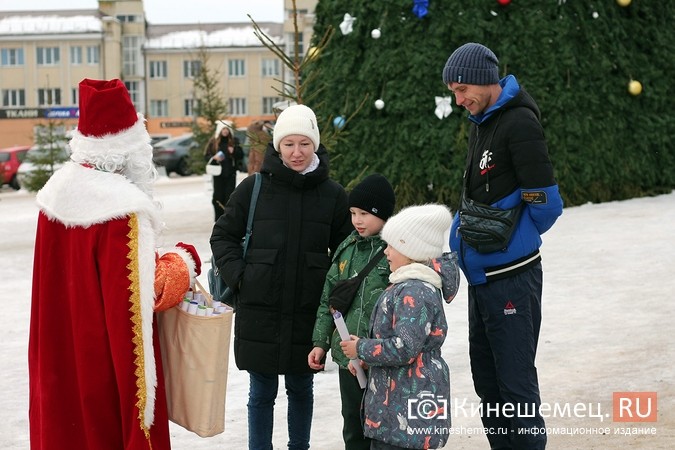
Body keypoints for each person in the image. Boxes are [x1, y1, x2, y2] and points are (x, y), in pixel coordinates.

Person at [28, 78, 202, 450]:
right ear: (129, 146)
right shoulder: (122, 210)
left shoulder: (56, 193)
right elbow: (134, 313)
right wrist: (183, 261)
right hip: (103, 370)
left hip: (60, 359)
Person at [442, 42, 564, 449]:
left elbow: (545, 200)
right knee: (490, 387)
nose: (459, 100)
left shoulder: (518, 123)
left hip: (511, 280)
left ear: (483, 80)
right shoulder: (484, 120)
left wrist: (514, 240)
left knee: (516, 390)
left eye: (462, 90)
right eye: (454, 93)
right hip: (483, 279)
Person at [210, 104, 353, 450]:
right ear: (277, 146)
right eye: (289, 144)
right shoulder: (253, 188)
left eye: (304, 143)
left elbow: (347, 252)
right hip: (261, 307)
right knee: (261, 391)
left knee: (301, 388)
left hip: (307, 309)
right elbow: (222, 236)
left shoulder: (332, 195)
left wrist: (334, 294)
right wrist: (242, 277)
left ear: (315, 144)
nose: (297, 152)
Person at [341, 204, 460, 450]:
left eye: (392, 246)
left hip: (407, 419)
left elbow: (405, 348)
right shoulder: (405, 285)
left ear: (411, 249)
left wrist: (362, 348)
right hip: (395, 415)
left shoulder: (415, 291)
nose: (386, 252)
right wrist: (367, 360)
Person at [308, 173, 396, 450]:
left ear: (383, 215)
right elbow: (328, 301)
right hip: (349, 359)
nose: (357, 220)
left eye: (365, 214)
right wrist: (320, 343)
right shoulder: (345, 250)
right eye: (353, 213)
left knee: (385, 425)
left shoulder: (396, 251)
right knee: (353, 423)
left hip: (382, 360)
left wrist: (378, 349)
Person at [204, 120, 244, 221]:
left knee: (230, 197)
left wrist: (234, 151)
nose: (225, 131)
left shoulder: (234, 141)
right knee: (217, 197)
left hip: (230, 173)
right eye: (223, 129)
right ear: (220, 130)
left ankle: (228, 219)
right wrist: (214, 157)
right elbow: (206, 155)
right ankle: (218, 218)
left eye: (227, 129)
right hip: (218, 174)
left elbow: (241, 155)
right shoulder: (214, 141)